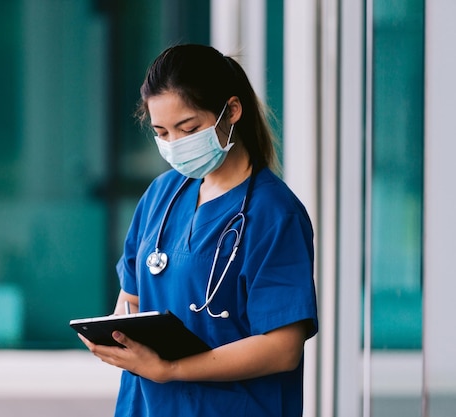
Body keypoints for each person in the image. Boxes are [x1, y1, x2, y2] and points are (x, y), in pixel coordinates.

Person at [79, 44, 318, 417]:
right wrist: (115, 337)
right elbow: (132, 302)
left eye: (188, 129)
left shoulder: (273, 213)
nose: (175, 145)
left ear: (232, 111)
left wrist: (171, 370)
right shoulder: (161, 195)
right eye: (162, 132)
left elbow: (283, 348)